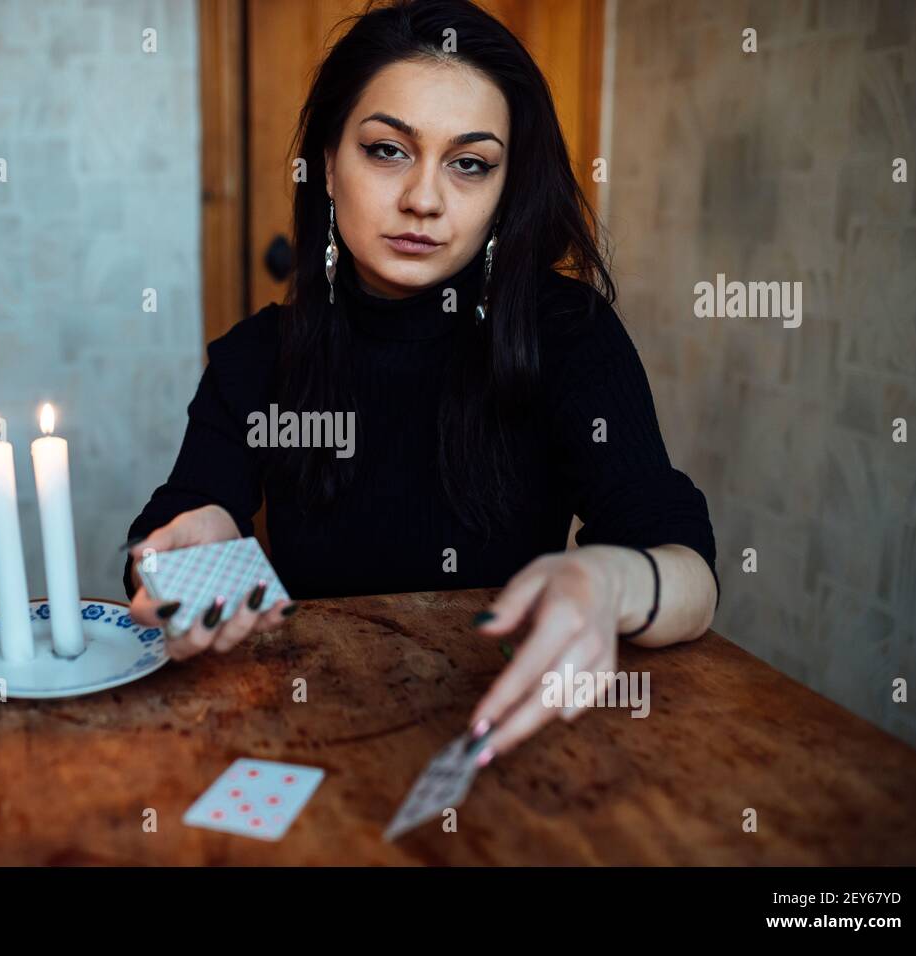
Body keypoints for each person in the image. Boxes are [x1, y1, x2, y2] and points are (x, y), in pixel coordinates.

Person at [122, 0, 719, 765]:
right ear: (328, 165)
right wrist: (189, 543)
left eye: (470, 164)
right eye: (387, 151)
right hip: (320, 733)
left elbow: (689, 574)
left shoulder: (567, 335)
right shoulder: (257, 358)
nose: (426, 200)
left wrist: (608, 579)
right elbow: (159, 543)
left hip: (514, 740)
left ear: (505, 188)